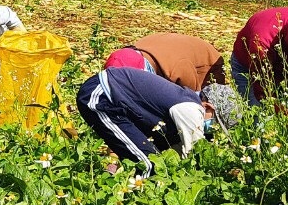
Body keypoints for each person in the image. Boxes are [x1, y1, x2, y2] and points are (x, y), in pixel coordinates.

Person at [77, 65, 239, 176]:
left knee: (152, 153)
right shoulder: (192, 109)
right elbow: (192, 155)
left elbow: (174, 147)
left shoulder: (185, 99)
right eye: (216, 123)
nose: (212, 128)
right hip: (102, 96)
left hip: (113, 98)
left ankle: (116, 182)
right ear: (209, 107)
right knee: (150, 163)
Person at [104, 33, 227, 92]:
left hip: (205, 60)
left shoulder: (176, 70)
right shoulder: (121, 59)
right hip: (171, 47)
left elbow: (191, 100)